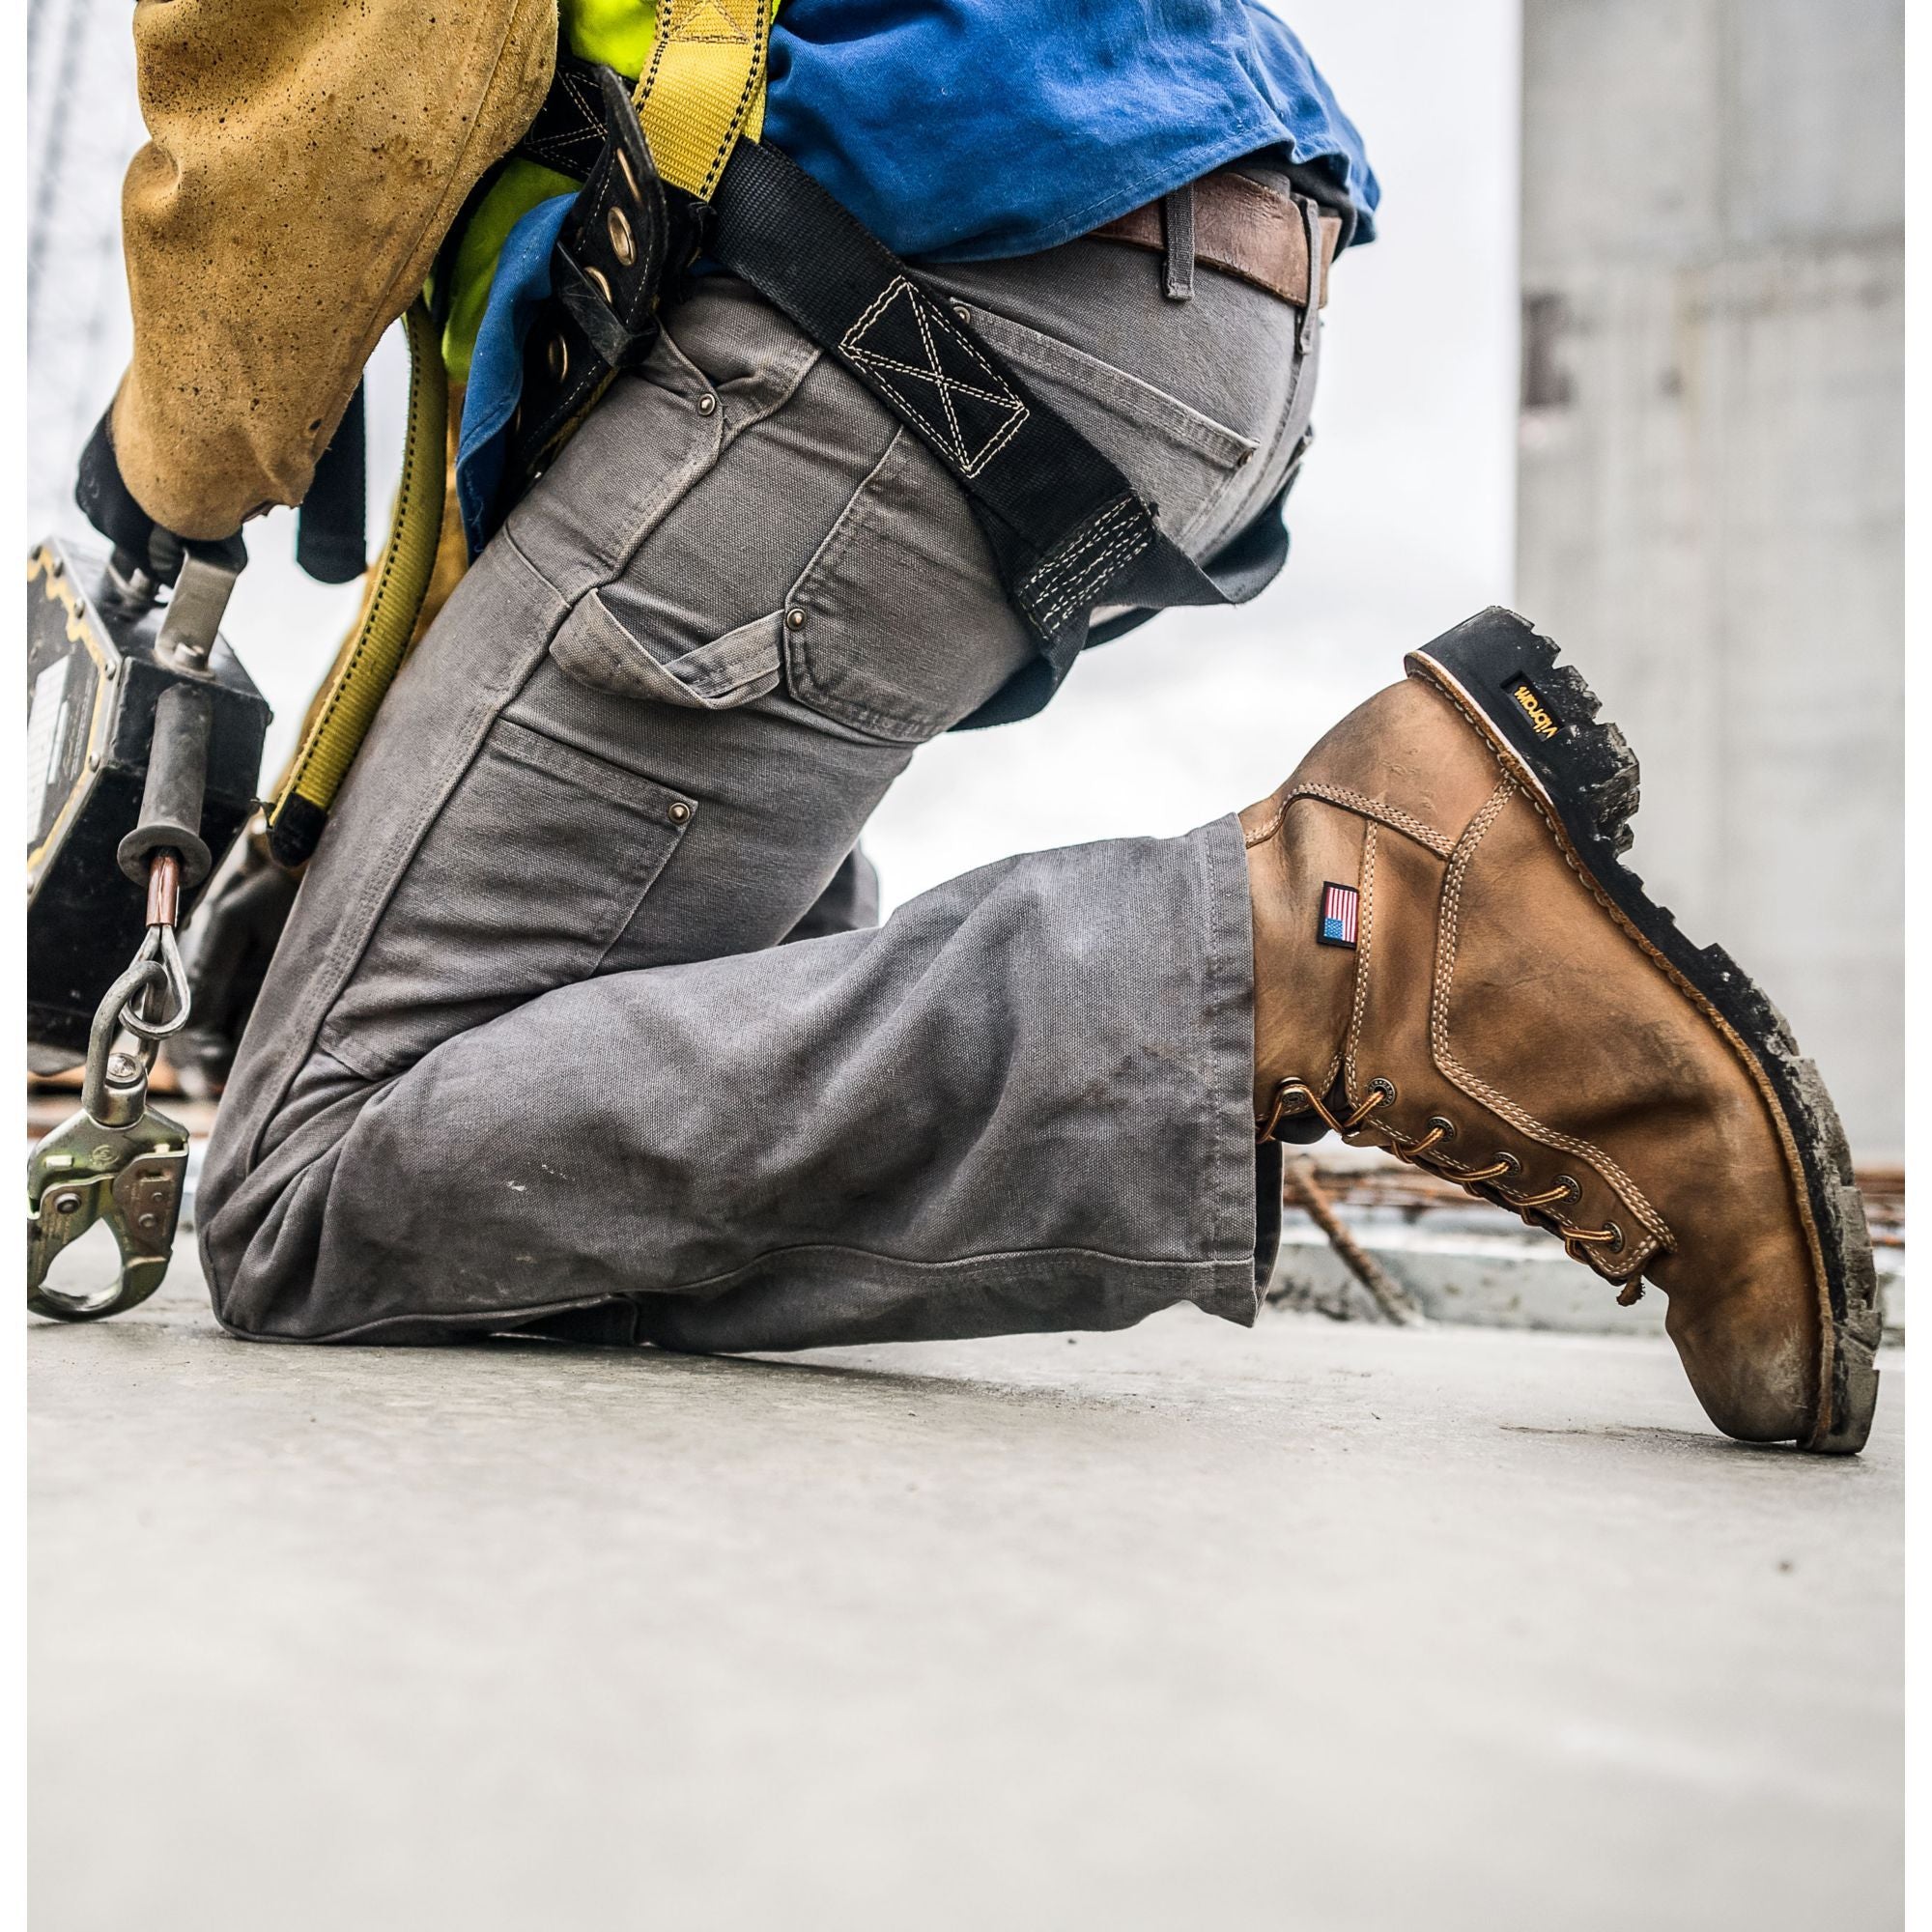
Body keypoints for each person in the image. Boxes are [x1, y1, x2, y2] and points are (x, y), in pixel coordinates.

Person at [81, 0, 1880, 1453]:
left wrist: (178, 440)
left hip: (899, 264)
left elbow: (334, 53)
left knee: (310, 1182)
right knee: (584, 1072)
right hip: (1150, 259)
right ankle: (1236, 1002)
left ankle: (1343, 936)